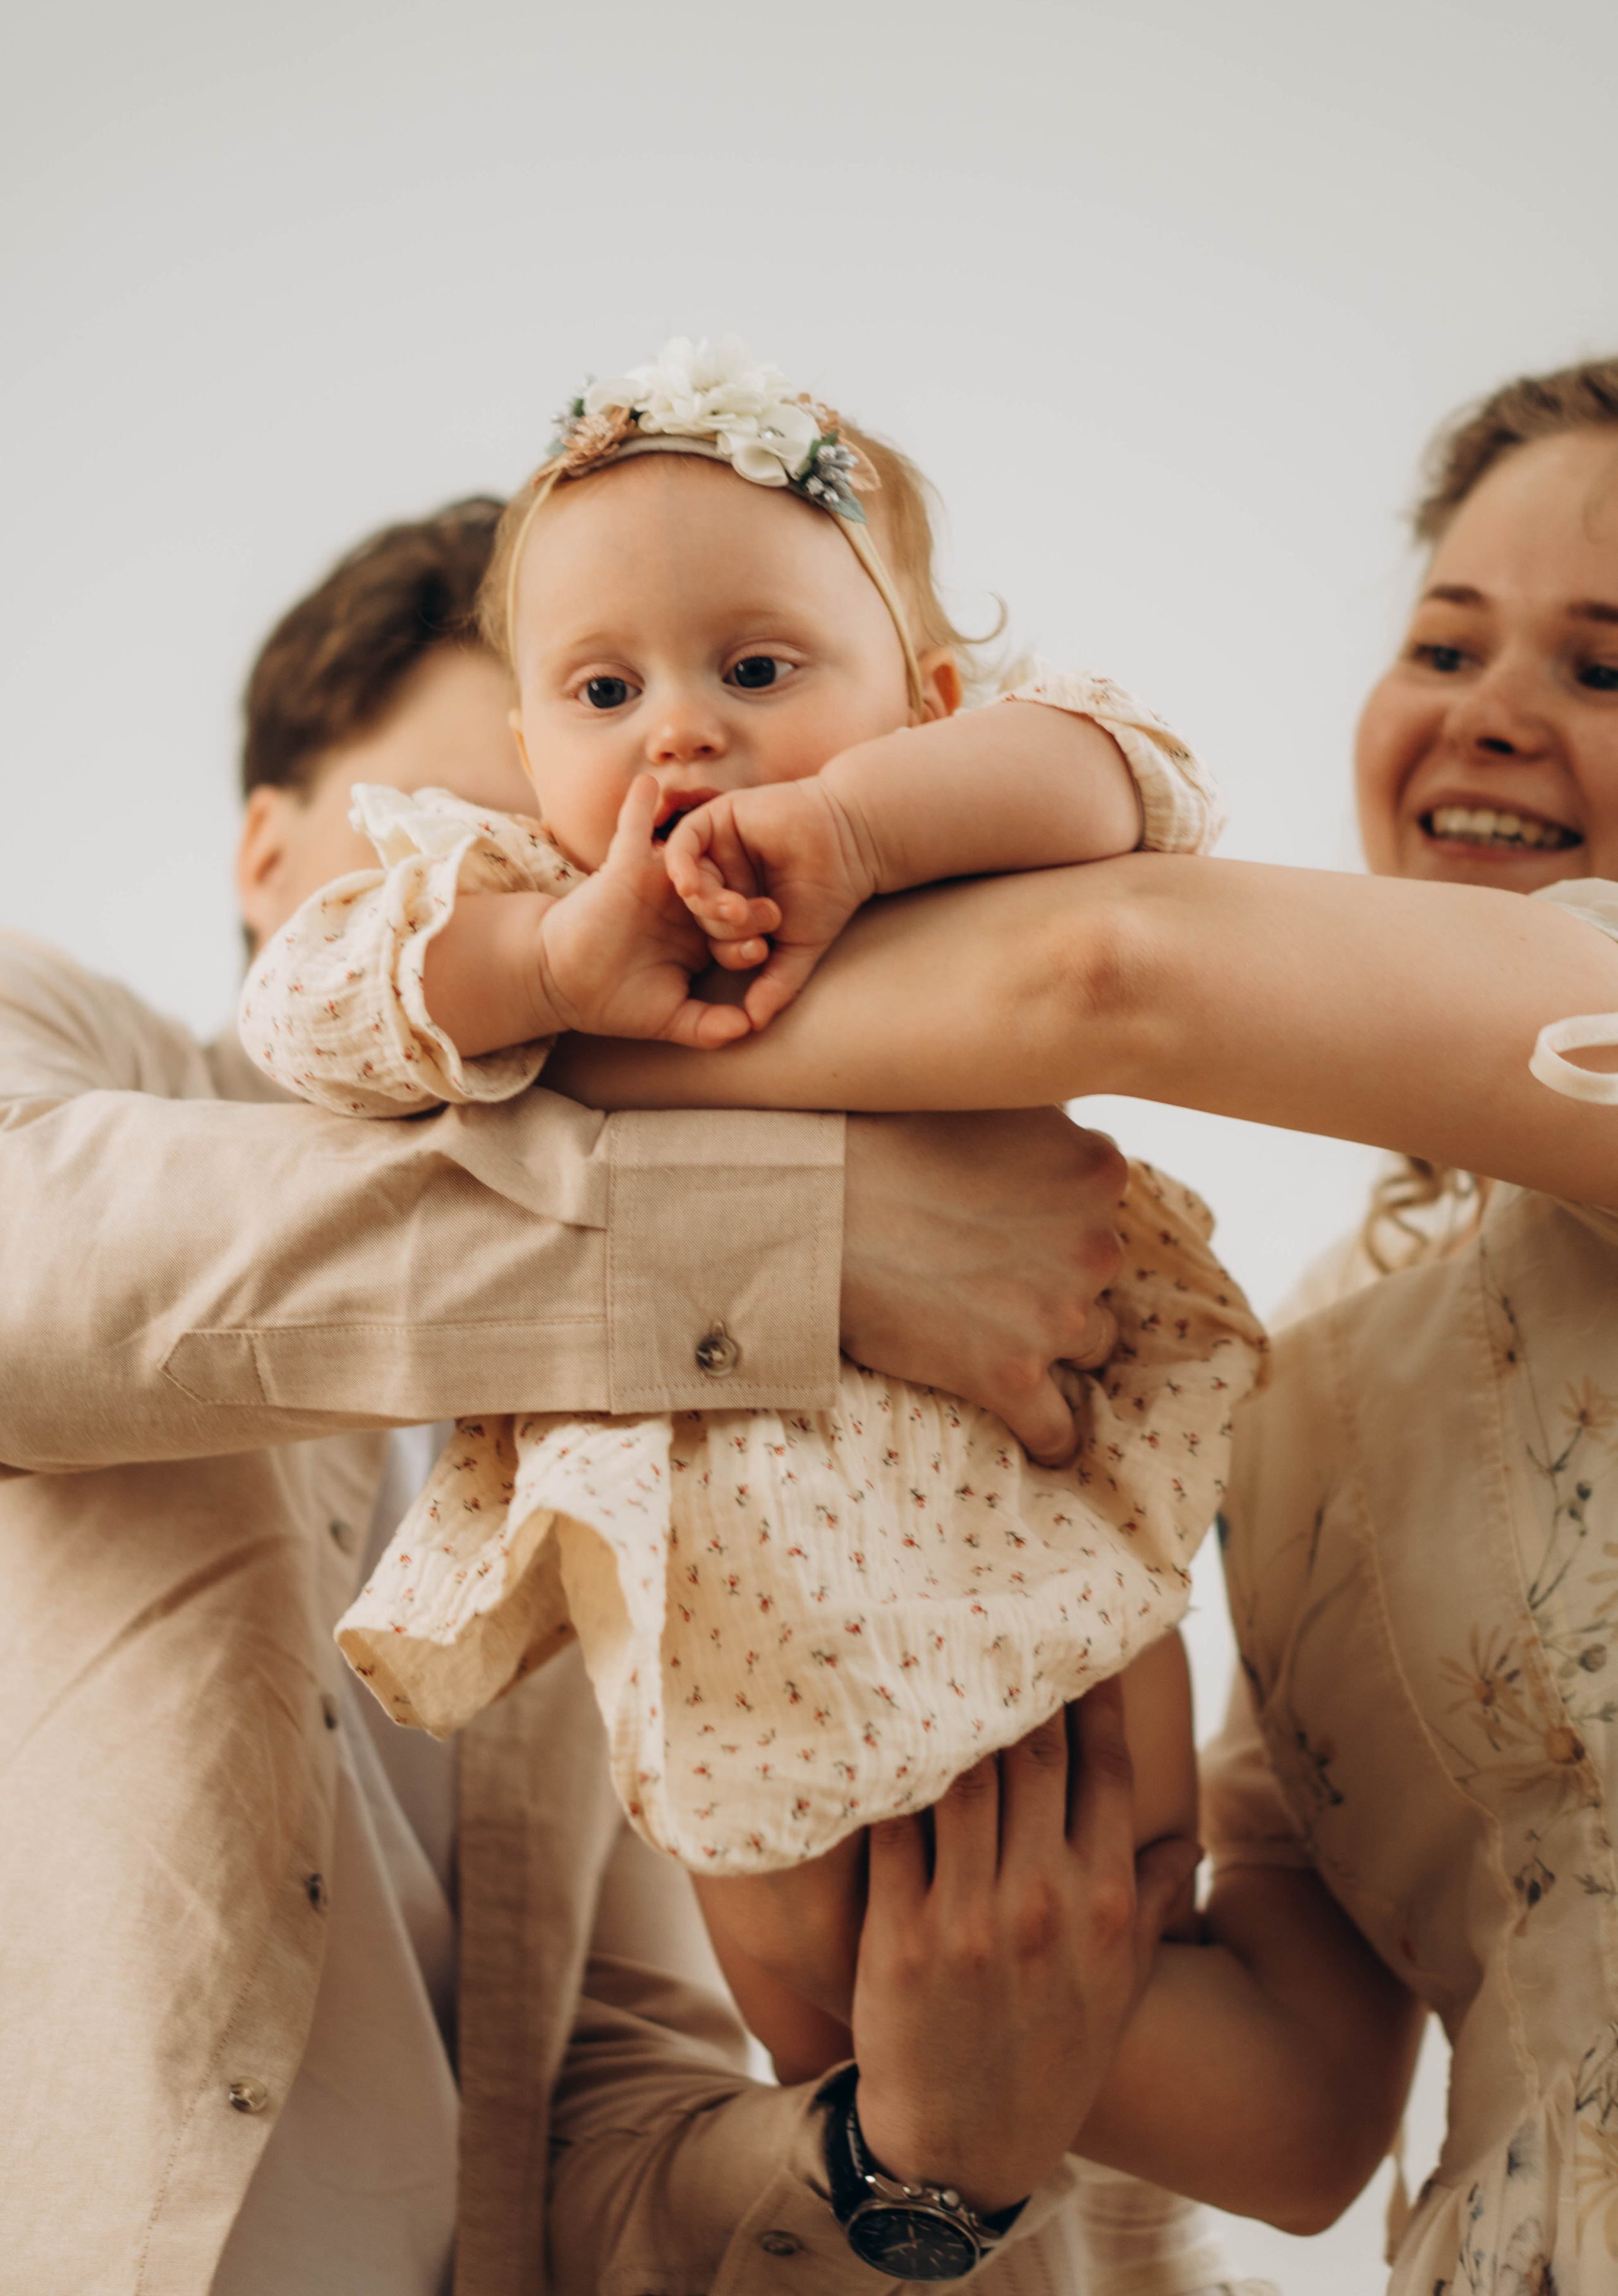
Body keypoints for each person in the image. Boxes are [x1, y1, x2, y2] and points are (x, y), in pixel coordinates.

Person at [0, 494, 1190, 2293]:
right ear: (265, 857)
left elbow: (609, 2124)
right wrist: (800, 1236)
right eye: (468, 841)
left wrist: (905, 2164)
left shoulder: (646, 1465)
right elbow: (39, 1274)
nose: (595, 899)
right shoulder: (63, 1048)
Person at [562, 354, 1618, 2282]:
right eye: (1446, 648)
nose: (1495, 723)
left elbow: (1107, 966)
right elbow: (1299, 2109)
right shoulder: (1300, 1358)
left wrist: (544, 1034)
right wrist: (864, 1907)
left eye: (1603, 669)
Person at [238, 344, 1263, 2015]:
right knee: (796, 1935)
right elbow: (308, 1005)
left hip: (1019, 1473)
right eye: (602, 693)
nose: (681, 731)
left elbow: (1136, 765)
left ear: (929, 701)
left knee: (1130, 1826)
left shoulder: (941, 848)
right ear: (522, 739)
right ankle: (867, 2133)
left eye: (760, 665)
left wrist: (863, 838)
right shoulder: (524, 897)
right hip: (735, 1570)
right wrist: (559, 964)